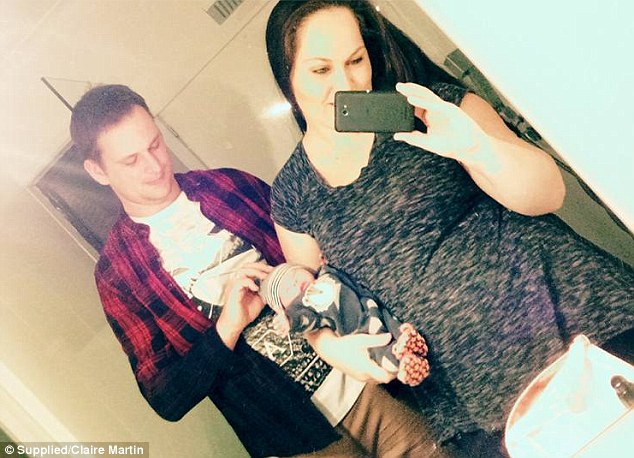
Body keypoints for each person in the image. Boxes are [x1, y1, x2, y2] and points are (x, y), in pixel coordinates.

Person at [264, 1, 634, 456]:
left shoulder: (433, 109)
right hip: (474, 404)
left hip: (585, 325)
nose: (346, 84)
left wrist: (477, 149)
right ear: (287, 77)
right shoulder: (292, 191)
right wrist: (331, 348)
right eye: (321, 70)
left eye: (356, 60)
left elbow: (547, 193)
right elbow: (314, 300)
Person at [71, 84, 442, 457]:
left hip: (365, 376)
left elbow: (328, 257)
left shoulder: (230, 185)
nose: (154, 166)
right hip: (290, 435)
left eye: (154, 144)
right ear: (97, 170)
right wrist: (228, 328)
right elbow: (167, 398)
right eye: (131, 161)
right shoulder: (118, 274)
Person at [260, 262, 431, 386]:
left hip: (372, 306)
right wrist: (290, 320)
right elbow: (306, 321)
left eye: (294, 275)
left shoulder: (326, 274)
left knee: (397, 326)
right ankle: (406, 364)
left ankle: (411, 342)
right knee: (380, 352)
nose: (295, 283)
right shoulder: (308, 307)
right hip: (362, 331)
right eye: (287, 289)